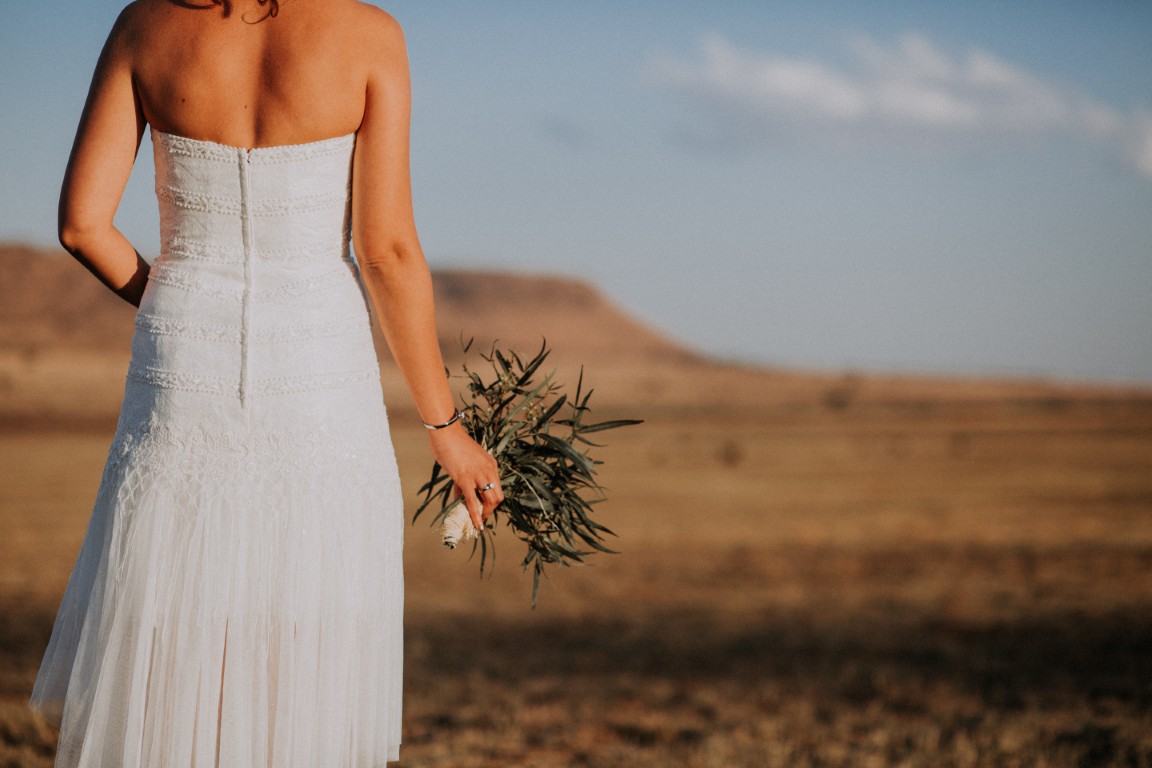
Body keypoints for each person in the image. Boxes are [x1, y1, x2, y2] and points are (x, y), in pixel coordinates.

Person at [30, 0, 503, 764]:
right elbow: (384, 250)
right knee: (304, 616)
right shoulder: (370, 36)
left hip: (182, 350)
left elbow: (83, 225)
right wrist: (447, 430)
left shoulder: (143, 25)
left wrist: (175, 298)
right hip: (317, 365)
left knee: (174, 609)